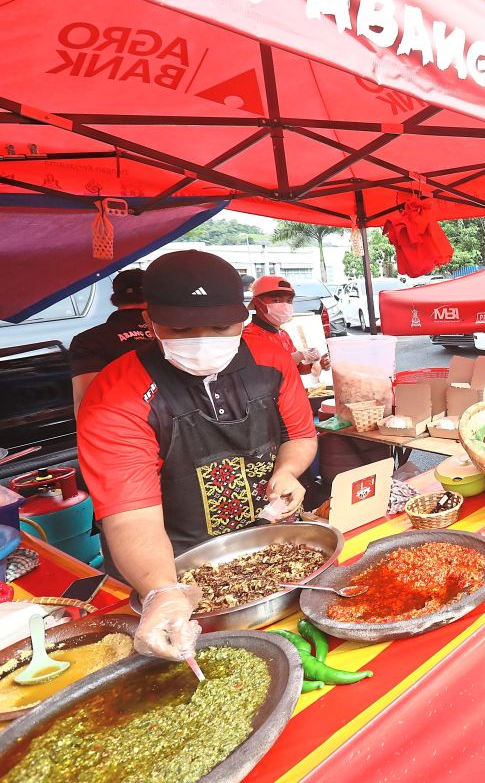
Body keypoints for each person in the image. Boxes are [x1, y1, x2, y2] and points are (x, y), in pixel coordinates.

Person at [76, 251, 318, 663]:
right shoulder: (115, 394)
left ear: (243, 318)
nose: (201, 339)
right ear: (150, 322)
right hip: (173, 560)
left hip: (269, 538)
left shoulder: (272, 360)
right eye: (180, 328)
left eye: (221, 326)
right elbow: (130, 513)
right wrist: (163, 592)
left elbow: (301, 435)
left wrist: (289, 471)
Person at [69, 268, 155, 412]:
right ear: (152, 296)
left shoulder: (89, 340)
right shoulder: (173, 333)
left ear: (115, 298)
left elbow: (85, 406)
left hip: (124, 426)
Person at [243, 275, 330, 374]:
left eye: (289, 301)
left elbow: (296, 369)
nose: (285, 306)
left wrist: (317, 364)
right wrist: (296, 357)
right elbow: (265, 374)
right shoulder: (249, 337)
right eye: (276, 300)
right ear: (258, 303)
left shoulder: (283, 334)